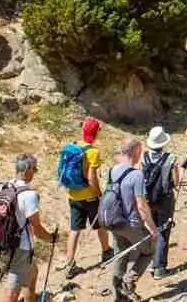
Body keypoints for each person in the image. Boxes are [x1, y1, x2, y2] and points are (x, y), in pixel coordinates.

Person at [2, 154, 58, 302]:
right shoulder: (29, 195)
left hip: (3, 240)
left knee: (33, 271)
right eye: (34, 169)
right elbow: (37, 229)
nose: (35, 173)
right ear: (27, 169)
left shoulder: (6, 186)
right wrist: (51, 238)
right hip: (21, 246)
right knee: (13, 290)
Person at [61, 117, 113, 278]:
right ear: (96, 133)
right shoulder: (93, 152)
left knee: (75, 229)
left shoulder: (71, 147)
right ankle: (106, 251)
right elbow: (91, 177)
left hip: (73, 194)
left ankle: (69, 263)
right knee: (100, 225)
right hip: (89, 196)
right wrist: (99, 194)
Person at [109, 138, 159, 301]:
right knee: (149, 249)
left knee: (120, 254)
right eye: (140, 151)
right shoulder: (137, 175)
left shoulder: (113, 170)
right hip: (131, 223)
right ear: (135, 152)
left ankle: (118, 295)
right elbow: (142, 206)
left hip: (115, 221)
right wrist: (152, 229)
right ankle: (128, 283)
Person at [142, 127, 181, 280]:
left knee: (152, 229)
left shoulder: (144, 158)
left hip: (148, 199)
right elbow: (176, 182)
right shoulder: (171, 158)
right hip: (165, 199)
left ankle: (150, 262)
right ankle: (159, 267)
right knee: (164, 230)